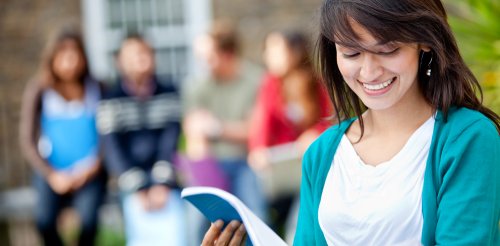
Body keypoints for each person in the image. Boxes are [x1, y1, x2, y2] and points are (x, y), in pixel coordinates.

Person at [201, 0, 500, 245]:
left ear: (423, 42)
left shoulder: (467, 139)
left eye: (387, 49)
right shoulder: (323, 153)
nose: (369, 71)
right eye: (351, 52)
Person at [19, 26, 107, 246]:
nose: (70, 61)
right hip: (52, 172)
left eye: (74, 53)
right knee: (45, 222)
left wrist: (92, 167)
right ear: (52, 58)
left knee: (88, 224)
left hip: (89, 173)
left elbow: (108, 135)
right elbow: (27, 140)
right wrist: (51, 175)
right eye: (63, 54)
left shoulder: (98, 88)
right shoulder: (40, 90)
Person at [181, 19, 267, 244]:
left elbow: (255, 131)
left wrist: (215, 127)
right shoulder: (197, 86)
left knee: (255, 215)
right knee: (194, 221)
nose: (203, 64)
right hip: (211, 163)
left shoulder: (256, 80)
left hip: (246, 162)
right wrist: (205, 176)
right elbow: (194, 134)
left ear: (228, 54)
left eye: (209, 58)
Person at [97, 34, 185, 246]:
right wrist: (139, 188)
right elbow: (112, 149)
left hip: (166, 182)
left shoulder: (169, 93)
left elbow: (171, 141)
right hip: (130, 184)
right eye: (134, 55)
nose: (141, 59)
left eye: (145, 53)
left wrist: (161, 184)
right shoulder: (111, 99)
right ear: (120, 61)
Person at [247, 30, 332, 242]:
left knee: (303, 206)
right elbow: (261, 121)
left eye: (277, 50)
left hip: (305, 162)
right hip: (277, 165)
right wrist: (258, 149)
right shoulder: (270, 84)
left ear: (295, 52)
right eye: (268, 50)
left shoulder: (314, 85)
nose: (270, 56)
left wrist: (314, 133)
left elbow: (328, 120)